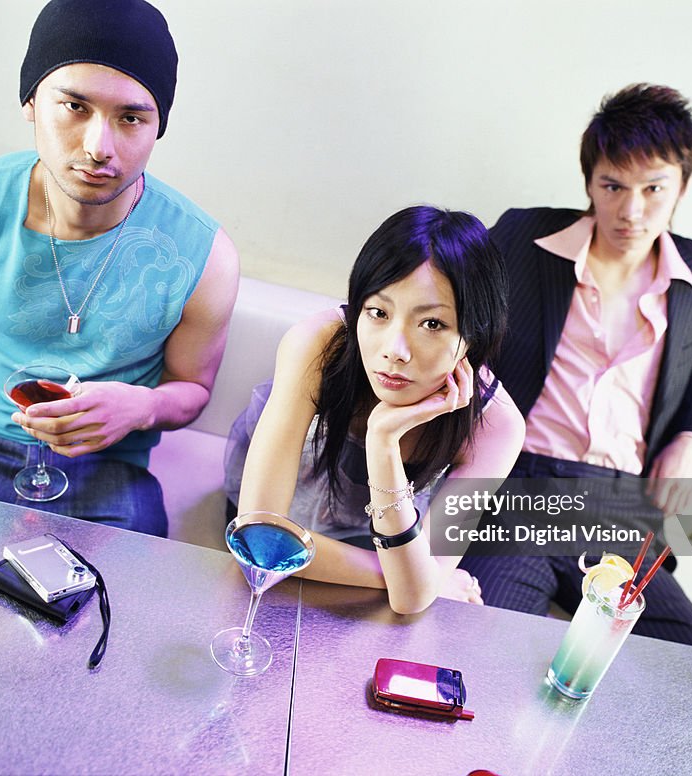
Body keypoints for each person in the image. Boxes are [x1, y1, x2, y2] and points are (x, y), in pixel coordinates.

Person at [0, 0, 239, 536]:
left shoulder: (204, 256)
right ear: (31, 101)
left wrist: (139, 408)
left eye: (131, 117)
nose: (98, 148)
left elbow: (192, 390)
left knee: (127, 607)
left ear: (157, 127)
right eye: (75, 106)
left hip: (104, 463)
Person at [459, 84, 692, 649]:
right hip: (523, 489)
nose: (631, 211)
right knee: (479, 650)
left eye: (654, 188)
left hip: (622, 509)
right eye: (613, 186)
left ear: (683, 185)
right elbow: (462, 322)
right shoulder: (524, 239)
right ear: (590, 182)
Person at [224, 206, 525, 614]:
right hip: (288, 537)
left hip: (374, 545)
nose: (393, 351)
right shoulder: (317, 346)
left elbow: (411, 601)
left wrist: (383, 441)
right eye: (378, 313)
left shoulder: (496, 424)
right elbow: (260, 540)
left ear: (475, 333)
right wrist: (408, 573)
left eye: (433, 324)